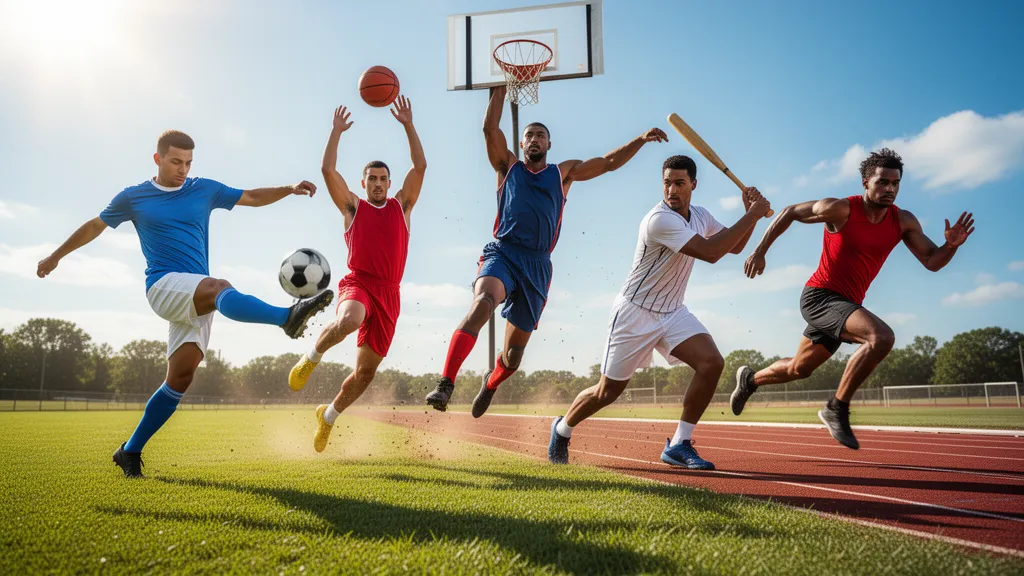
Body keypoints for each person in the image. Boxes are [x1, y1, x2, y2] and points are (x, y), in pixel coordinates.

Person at [36, 130, 333, 478]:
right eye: (176, 161)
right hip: (164, 286)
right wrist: (56, 256)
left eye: (188, 162)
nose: (183, 169)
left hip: (196, 294)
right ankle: (286, 317)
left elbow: (250, 196)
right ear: (158, 159)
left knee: (181, 377)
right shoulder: (134, 197)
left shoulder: (202, 188)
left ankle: (129, 450)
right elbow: (95, 226)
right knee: (220, 286)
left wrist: (289, 189)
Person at [424, 84, 668, 415]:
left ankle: (491, 382)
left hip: (538, 266)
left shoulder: (562, 173)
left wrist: (639, 139)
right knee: (482, 302)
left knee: (512, 358)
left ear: (549, 144)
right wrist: (497, 87)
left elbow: (609, 163)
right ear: (522, 144)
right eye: (530, 135)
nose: (535, 139)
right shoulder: (507, 167)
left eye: (541, 135)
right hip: (503, 253)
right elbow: (489, 128)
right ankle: (445, 384)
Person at [730, 148, 975, 449]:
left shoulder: (903, 221)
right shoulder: (840, 209)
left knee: (799, 369)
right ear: (865, 182)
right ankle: (837, 408)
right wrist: (760, 250)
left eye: (895, 184)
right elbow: (791, 211)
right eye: (883, 182)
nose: (890, 189)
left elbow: (932, 261)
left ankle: (750, 380)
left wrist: (951, 246)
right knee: (881, 337)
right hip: (820, 297)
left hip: (846, 306)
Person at [548, 155, 771, 468]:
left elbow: (733, 247)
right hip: (634, 313)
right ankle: (561, 430)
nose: (672, 190)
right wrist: (753, 214)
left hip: (672, 311)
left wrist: (752, 215)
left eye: (679, 183)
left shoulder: (701, 215)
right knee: (607, 392)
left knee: (711, 363)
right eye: (667, 183)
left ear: (693, 184)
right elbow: (711, 253)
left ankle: (679, 444)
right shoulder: (659, 220)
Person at [287, 98, 426, 452]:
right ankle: (310, 359)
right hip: (359, 283)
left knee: (366, 373)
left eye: (383, 179)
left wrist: (409, 125)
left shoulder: (402, 206)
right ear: (363, 183)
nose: (378, 184)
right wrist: (335, 132)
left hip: (390, 294)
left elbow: (420, 166)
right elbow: (327, 171)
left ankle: (328, 417)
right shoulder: (353, 207)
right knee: (350, 319)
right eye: (372, 179)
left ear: (390, 182)